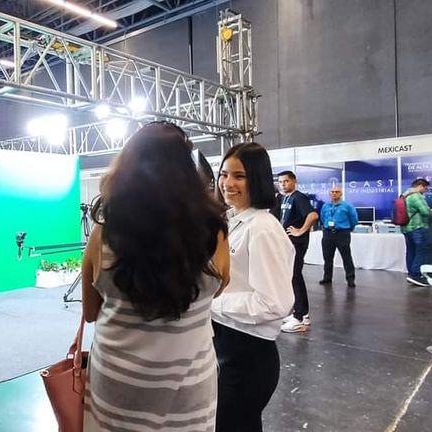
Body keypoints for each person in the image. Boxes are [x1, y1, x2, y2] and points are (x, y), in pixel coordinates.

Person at [81, 122, 230, 432]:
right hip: (189, 388)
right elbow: (217, 290)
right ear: (188, 174)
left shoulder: (103, 235)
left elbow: (91, 312)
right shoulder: (214, 235)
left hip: (117, 385)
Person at [213, 143, 295, 432]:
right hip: (228, 347)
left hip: (248, 356)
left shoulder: (262, 228)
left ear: (257, 179)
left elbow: (274, 303)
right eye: (224, 174)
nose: (228, 183)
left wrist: (210, 303)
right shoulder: (234, 221)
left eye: (239, 176)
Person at [276, 170, 318, 333]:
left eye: (286, 181)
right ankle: (301, 313)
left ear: (294, 181)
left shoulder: (299, 197)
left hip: (297, 243)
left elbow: (313, 215)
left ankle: (299, 317)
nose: (283, 184)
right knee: (292, 277)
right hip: (287, 243)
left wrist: (300, 231)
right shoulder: (284, 198)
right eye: (280, 182)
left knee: (295, 276)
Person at [318, 186, 359, 288]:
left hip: (342, 233)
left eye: (337, 192)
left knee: (346, 257)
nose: (334, 193)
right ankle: (327, 278)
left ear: (341, 194)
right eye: (332, 192)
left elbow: (354, 220)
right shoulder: (325, 206)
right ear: (329, 194)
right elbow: (322, 218)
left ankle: (350, 279)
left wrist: (348, 229)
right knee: (327, 258)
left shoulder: (347, 206)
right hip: (328, 233)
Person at [402, 178, 432, 286]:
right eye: (426, 188)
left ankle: (411, 273)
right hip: (418, 227)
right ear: (420, 186)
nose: (425, 191)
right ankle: (416, 275)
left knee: (411, 251)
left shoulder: (404, 195)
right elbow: (425, 212)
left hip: (406, 228)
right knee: (421, 251)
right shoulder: (416, 196)